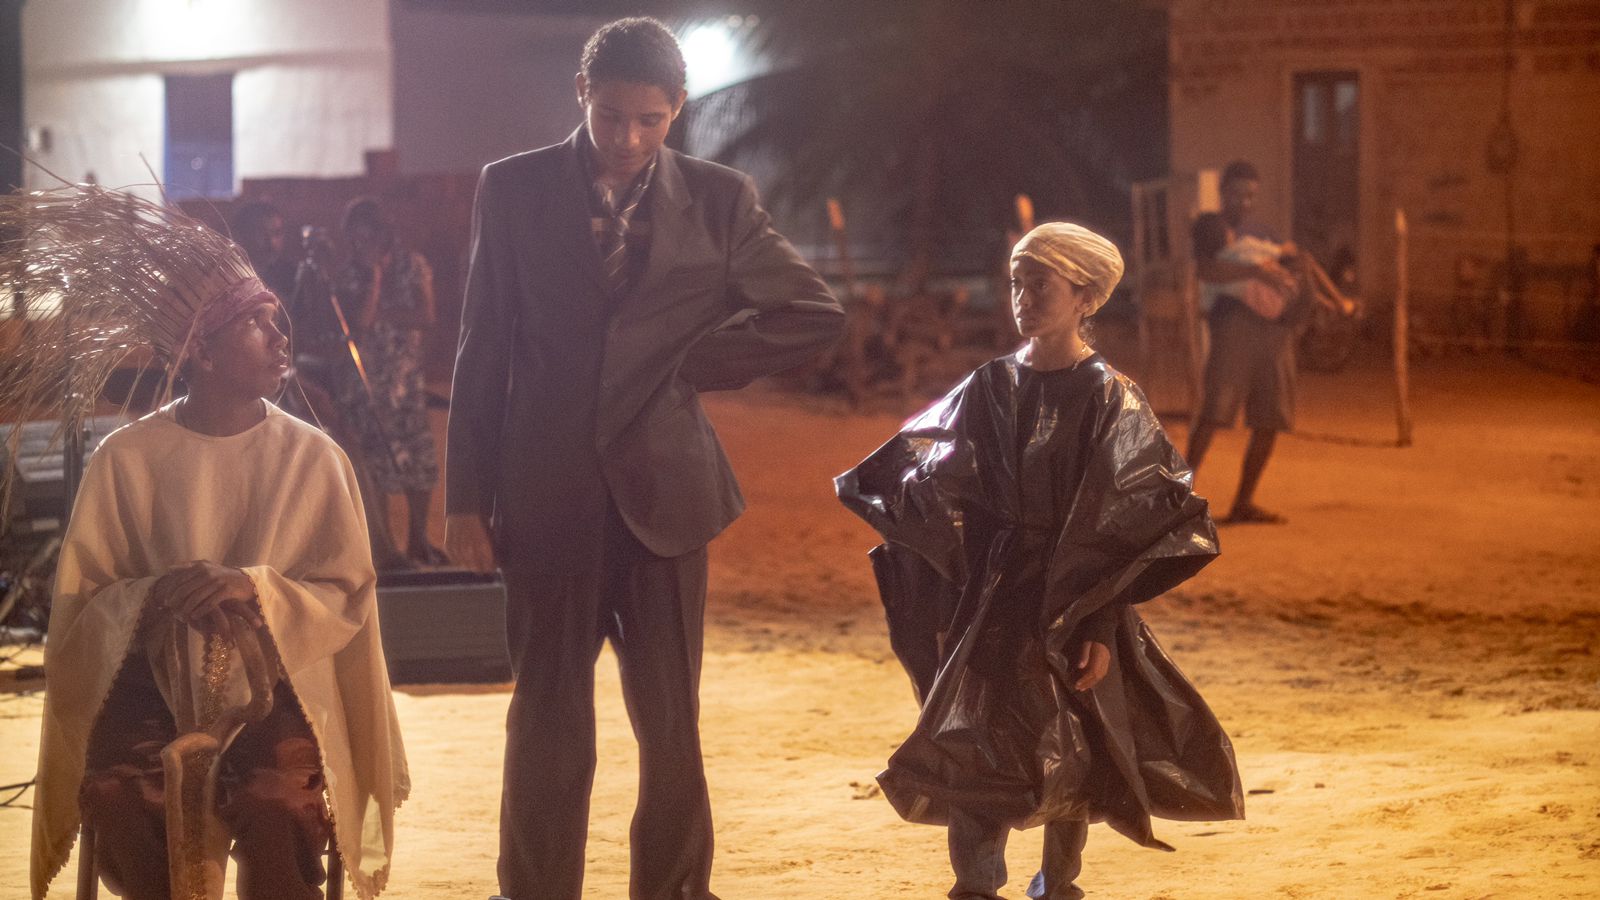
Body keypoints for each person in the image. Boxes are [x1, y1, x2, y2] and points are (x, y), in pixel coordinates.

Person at [445, 17, 844, 900]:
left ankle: (675, 890)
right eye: (611, 116)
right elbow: (482, 346)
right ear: (581, 95)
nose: (627, 139)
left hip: (668, 499)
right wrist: (464, 500)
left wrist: (691, 362)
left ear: (678, 109)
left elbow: (813, 313)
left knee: (671, 724)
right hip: (546, 496)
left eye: (650, 121)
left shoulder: (721, 197)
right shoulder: (511, 189)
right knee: (547, 717)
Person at [9, 185, 408, 900]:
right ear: (200, 349)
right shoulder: (126, 459)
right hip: (148, 686)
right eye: (256, 324)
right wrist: (155, 595)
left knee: (274, 798)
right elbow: (79, 611)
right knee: (122, 793)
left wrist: (253, 587)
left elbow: (348, 595)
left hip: (278, 690)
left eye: (276, 320)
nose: (281, 339)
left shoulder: (315, 459)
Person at [837, 223, 1243, 900]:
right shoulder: (991, 385)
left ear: (1084, 297)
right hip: (995, 594)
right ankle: (975, 886)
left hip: (1074, 593)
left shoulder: (1111, 397)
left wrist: (1098, 625)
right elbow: (936, 478)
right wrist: (931, 553)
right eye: (1016, 284)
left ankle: (1059, 884)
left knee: (1073, 740)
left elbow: (1130, 521)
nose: (1023, 298)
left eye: (1040, 285)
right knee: (976, 735)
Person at [1186, 160, 1304, 524]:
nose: (1245, 202)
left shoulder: (1263, 231)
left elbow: (1295, 264)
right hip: (1233, 325)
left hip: (1274, 330)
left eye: (1251, 195)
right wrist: (1256, 271)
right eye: (1238, 194)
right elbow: (1207, 271)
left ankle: (1244, 502)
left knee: (1270, 418)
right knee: (1214, 413)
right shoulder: (1210, 228)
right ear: (1223, 193)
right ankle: (1175, 503)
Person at [336, 196, 448, 566]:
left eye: (367, 234)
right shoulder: (347, 274)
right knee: (375, 463)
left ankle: (419, 540)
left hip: (405, 380)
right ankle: (385, 548)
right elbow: (359, 323)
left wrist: (383, 312)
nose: (361, 243)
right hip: (368, 383)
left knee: (418, 458)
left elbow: (426, 315)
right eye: (355, 236)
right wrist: (374, 278)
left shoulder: (412, 265)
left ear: (382, 232)